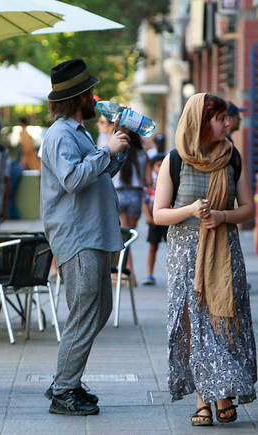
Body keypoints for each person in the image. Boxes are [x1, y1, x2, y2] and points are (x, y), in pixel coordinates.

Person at [153, 93, 256, 426]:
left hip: (224, 253)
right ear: (201, 122)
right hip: (185, 256)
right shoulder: (175, 160)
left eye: (227, 118)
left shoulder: (231, 157)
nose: (228, 123)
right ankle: (204, 399)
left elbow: (248, 209)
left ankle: (221, 394)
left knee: (223, 323)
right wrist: (191, 211)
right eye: (220, 118)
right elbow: (159, 214)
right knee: (196, 328)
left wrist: (222, 216)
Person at [40, 59, 130, 416]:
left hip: (93, 232)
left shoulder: (78, 132)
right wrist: (106, 150)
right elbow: (73, 180)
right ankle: (64, 390)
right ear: (78, 98)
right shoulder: (60, 135)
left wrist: (116, 152)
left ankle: (68, 379)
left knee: (100, 308)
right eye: (90, 92)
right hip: (77, 236)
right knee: (84, 311)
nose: (95, 98)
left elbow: (97, 173)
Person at [112, 127, 152, 284]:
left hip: (119, 195)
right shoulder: (143, 155)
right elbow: (149, 181)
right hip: (135, 197)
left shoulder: (116, 149)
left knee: (124, 238)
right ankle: (126, 273)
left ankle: (130, 275)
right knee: (127, 237)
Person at [141, 153, 168, 286]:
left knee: (172, 246)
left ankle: (173, 272)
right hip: (154, 220)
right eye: (158, 165)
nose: (161, 167)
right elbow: (145, 201)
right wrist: (148, 216)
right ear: (152, 168)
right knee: (153, 246)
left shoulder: (170, 181)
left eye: (163, 164)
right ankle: (150, 274)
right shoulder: (150, 184)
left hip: (167, 219)